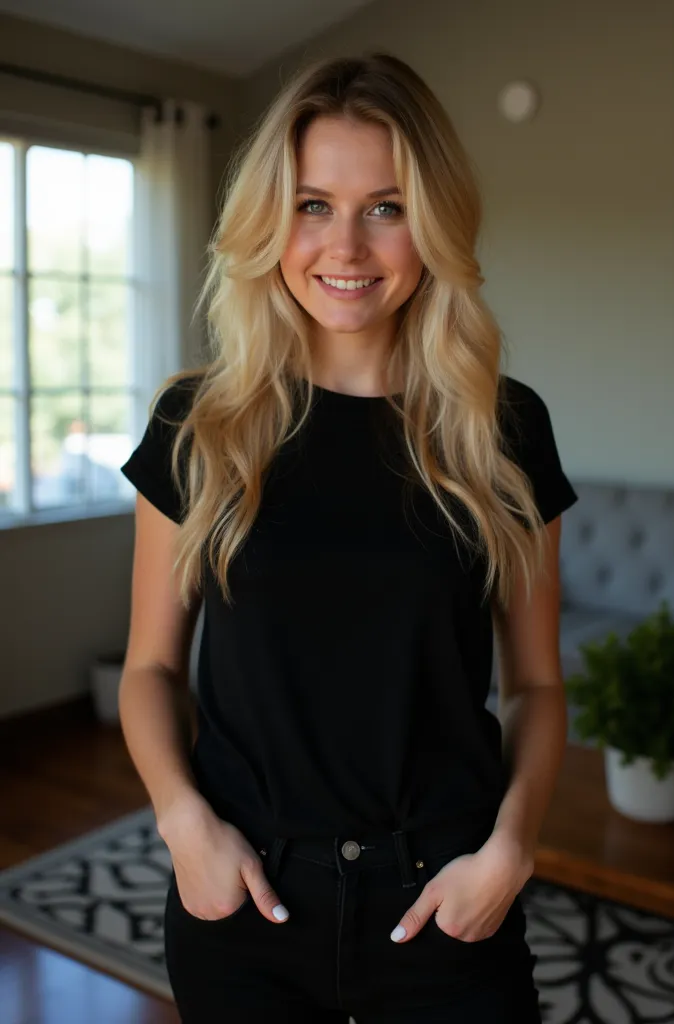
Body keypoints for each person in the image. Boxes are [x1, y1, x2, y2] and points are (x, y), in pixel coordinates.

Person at [119, 51, 578, 1024]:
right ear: (269, 221)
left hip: (445, 895)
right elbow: (149, 670)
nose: (347, 247)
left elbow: (537, 685)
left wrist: (511, 848)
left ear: (433, 220)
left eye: (386, 205)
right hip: (245, 897)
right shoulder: (196, 424)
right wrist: (181, 821)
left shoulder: (504, 427)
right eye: (312, 203)